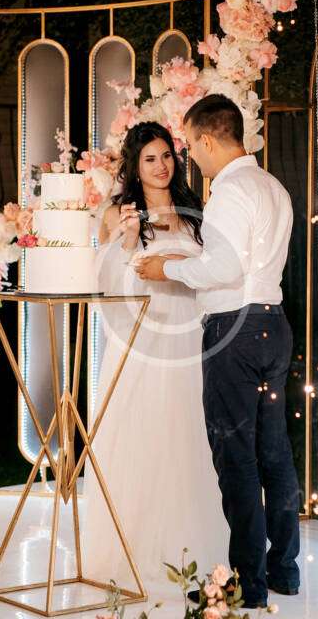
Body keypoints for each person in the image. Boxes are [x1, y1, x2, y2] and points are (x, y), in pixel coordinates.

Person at [135, 94, 301, 608]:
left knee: (237, 459)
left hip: (235, 330)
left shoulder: (230, 192)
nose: (190, 157)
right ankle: (284, 570)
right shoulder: (273, 187)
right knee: (274, 454)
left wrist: (167, 269)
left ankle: (247, 583)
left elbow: (224, 269)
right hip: (274, 325)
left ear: (208, 140)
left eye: (190, 146)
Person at [82, 121, 229, 588]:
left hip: (188, 336)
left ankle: (191, 551)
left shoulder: (195, 212)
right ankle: (131, 553)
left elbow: (212, 273)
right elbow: (102, 283)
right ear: (135, 165)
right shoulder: (117, 212)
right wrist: (128, 240)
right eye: (150, 159)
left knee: (188, 436)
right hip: (141, 338)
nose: (161, 166)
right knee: (141, 434)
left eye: (166, 156)